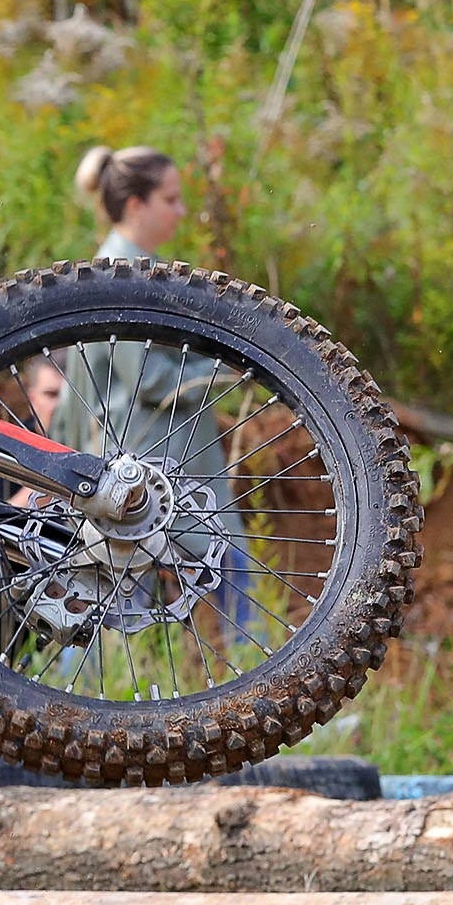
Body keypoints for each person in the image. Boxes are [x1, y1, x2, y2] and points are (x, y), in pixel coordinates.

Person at [54, 145, 260, 646]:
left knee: (117, 590)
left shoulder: (137, 267)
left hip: (160, 458)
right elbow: (149, 380)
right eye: (171, 199)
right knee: (209, 571)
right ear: (136, 205)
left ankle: (83, 699)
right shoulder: (120, 272)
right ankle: (268, 690)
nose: (182, 211)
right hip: (151, 459)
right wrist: (232, 368)